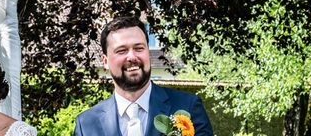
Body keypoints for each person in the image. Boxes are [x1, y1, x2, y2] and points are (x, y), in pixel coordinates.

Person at [74, 16, 214, 136]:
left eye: (139, 48)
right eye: (121, 50)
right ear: (105, 62)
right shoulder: (86, 125)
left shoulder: (188, 106)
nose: (132, 57)